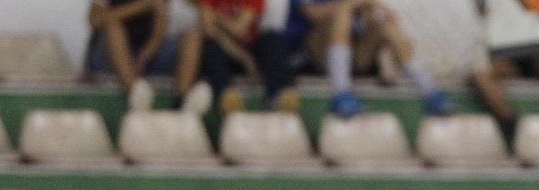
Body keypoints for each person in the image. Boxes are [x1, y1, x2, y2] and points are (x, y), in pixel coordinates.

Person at [292, 0, 452, 117]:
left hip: (356, 56)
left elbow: (369, 12)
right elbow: (312, 14)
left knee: (382, 22)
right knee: (342, 14)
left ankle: (431, 93)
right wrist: (351, 4)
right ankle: (341, 95)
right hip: (316, 55)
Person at [177, 0, 300, 115]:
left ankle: (277, 97)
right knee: (210, 46)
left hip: (247, 47)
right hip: (225, 53)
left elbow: (239, 30)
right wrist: (245, 59)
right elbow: (209, 30)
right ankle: (227, 97)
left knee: (272, 39)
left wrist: (214, 16)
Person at [86, 0, 170, 111]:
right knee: (113, 27)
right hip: (107, 57)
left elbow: (160, 26)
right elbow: (95, 19)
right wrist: (140, 6)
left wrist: (146, 54)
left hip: (145, 55)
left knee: (188, 38)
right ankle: (136, 93)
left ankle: (182, 102)